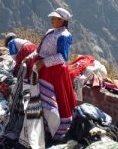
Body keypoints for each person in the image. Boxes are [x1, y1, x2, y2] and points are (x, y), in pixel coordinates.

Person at [26, 7, 76, 140]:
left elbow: (62, 57)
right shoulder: (51, 32)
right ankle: (44, 125)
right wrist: (32, 56)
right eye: (52, 18)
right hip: (44, 70)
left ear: (62, 21)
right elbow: (40, 49)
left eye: (55, 18)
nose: (52, 20)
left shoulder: (64, 36)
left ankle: (57, 128)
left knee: (56, 99)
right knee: (40, 98)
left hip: (55, 72)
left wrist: (43, 62)